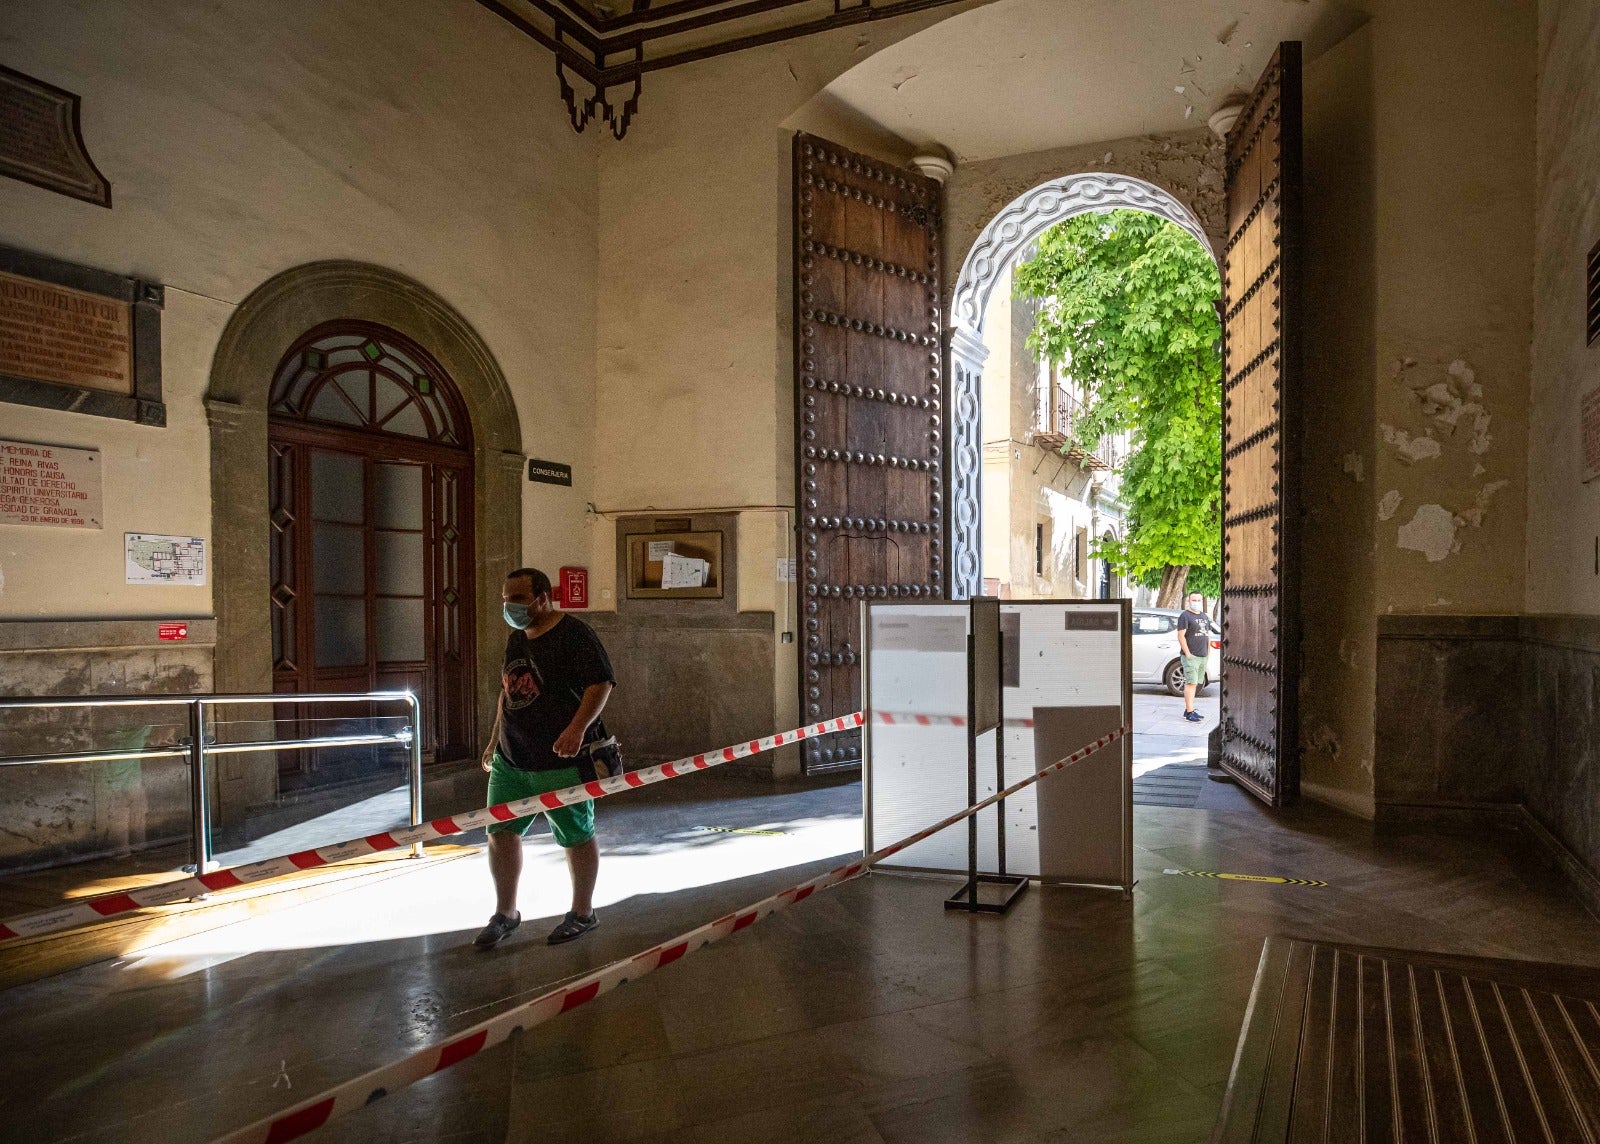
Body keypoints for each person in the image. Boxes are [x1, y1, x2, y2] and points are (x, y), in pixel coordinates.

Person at [475, 567, 617, 949]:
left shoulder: (574, 635)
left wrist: (576, 730)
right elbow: (508, 691)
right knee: (500, 834)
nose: (510, 607)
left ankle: (583, 911)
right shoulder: (516, 639)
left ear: (543, 597)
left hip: (561, 761)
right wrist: (493, 741)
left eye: (517, 599)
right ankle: (506, 913)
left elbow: (600, 683)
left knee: (576, 836)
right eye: (506, 599)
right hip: (511, 761)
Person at [1176, 590, 1210, 724]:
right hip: (1191, 656)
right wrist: (1188, 653)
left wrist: (1208, 651)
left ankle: (1189, 709)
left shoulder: (1204, 616)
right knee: (1191, 683)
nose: (1196, 603)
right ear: (1189, 601)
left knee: (1196, 684)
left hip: (1202, 655)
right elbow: (1181, 636)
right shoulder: (1185, 616)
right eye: (1193, 600)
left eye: (1198, 600)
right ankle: (1189, 712)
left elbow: (1206, 634)